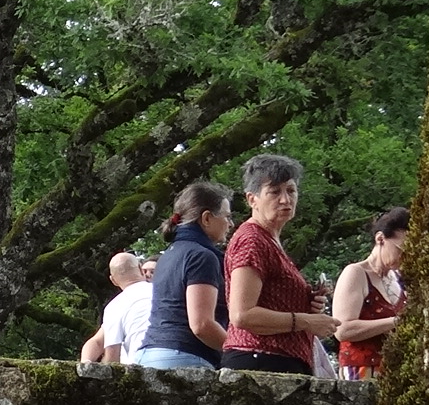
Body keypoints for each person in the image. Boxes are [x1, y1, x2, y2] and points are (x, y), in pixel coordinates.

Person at [221, 153, 338, 375]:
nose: (285, 199)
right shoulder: (252, 240)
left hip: (277, 362)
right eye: (274, 192)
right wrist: (306, 321)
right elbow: (242, 315)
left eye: (291, 190)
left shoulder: (270, 240)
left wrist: (307, 304)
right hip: (260, 363)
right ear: (251, 199)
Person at [135, 182, 234, 370]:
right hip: (185, 357)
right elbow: (202, 325)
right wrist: (237, 351)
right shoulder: (202, 256)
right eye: (227, 216)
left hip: (147, 356)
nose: (230, 224)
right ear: (206, 218)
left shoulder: (167, 255)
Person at [333, 206, 410, 380]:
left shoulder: (399, 278)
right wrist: (396, 322)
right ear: (380, 239)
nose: (406, 257)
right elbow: (342, 329)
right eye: (401, 250)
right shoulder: (356, 273)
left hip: (396, 372)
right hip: (361, 372)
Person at [82, 252, 154, 366]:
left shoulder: (116, 305)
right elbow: (97, 341)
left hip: (141, 364)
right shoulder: (165, 291)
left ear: (113, 280)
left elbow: (112, 356)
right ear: (141, 269)